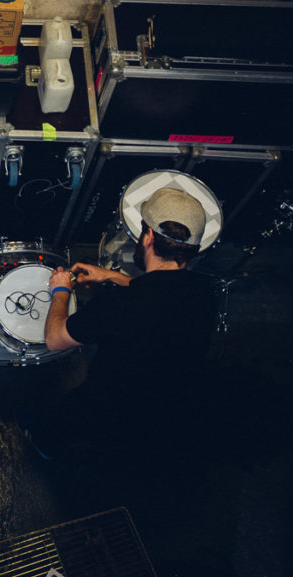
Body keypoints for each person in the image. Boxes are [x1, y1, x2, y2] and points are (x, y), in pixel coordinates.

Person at [24, 187, 218, 471]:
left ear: (148, 236)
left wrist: (61, 290)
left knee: (62, 420)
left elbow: (55, 338)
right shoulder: (204, 291)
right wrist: (110, 276)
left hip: (115, 408)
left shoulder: (118, 305)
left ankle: (43, 446)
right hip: (174, 407)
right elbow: (158, 289)